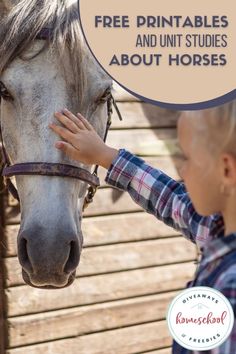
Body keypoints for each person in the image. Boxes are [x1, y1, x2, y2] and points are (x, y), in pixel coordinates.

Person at [49, 102, 236, 354]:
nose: (182, 170)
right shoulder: (215, 227)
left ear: (226, 170)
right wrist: (105, 155)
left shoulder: (230, 289)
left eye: (188, 158)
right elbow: (170, 199)